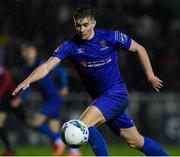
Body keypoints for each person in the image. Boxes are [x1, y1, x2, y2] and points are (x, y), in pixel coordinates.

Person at [12, 6, 168, 156]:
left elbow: (139, 48)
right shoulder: (70, 46)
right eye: (78, 25)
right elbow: (47, 66)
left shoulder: (110, 37)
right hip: (101, 99)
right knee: (136, 142)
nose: (81, 29)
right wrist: (28, 80)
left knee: (82, 126)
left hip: (116, 93)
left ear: (94, 22)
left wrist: (150, 75)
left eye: (85, 25)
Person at [13, 42, 81, 156]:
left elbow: (61, 71)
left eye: (31, 50)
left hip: (54, 99)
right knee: (54, 131)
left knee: (35, 122)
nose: (29, 53)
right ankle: (74, 151)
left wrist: (64, 86)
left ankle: (60, 143)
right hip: (49, 100)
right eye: (26, 51)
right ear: (23, 53)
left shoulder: (41, 64)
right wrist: (21, 98)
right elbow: (28, 87)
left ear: (35, 52)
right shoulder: (27, 69)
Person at [0, 65, 25, 156]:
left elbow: (6, 83)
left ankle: (55, 140)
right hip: (4, 101)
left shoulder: (3, 71)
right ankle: (9, 149)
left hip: (13, 98)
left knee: (28, 122)